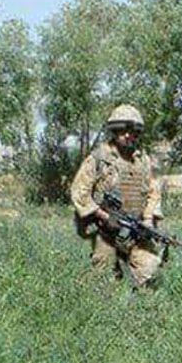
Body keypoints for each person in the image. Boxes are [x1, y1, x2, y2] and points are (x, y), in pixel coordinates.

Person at [70, 104, 164, 288]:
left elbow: (154, 191)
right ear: (115, 131)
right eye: (123, 131)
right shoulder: (100, 158)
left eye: (133, 131)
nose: (128, 135)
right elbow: (79, 192)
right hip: (104, 230)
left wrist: (148, 219)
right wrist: (104, 216)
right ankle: (78, 294)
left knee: (150, 269)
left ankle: (141, 307)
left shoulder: (142, 161)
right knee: (102, 281)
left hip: (134, 228)